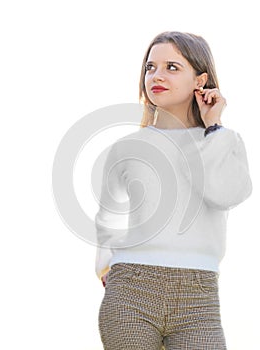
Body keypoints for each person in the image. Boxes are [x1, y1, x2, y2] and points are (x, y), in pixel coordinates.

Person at [94, 31, 253, 349]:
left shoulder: (224, 141)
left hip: (199, 295)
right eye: (150, 67)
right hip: (132, 289)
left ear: (201, 79)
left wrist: (213, 128)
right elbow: (109, 214)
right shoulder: (127, 147)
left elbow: (227, 194)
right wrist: (106, 266)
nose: (157, 76)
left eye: (172, 67)